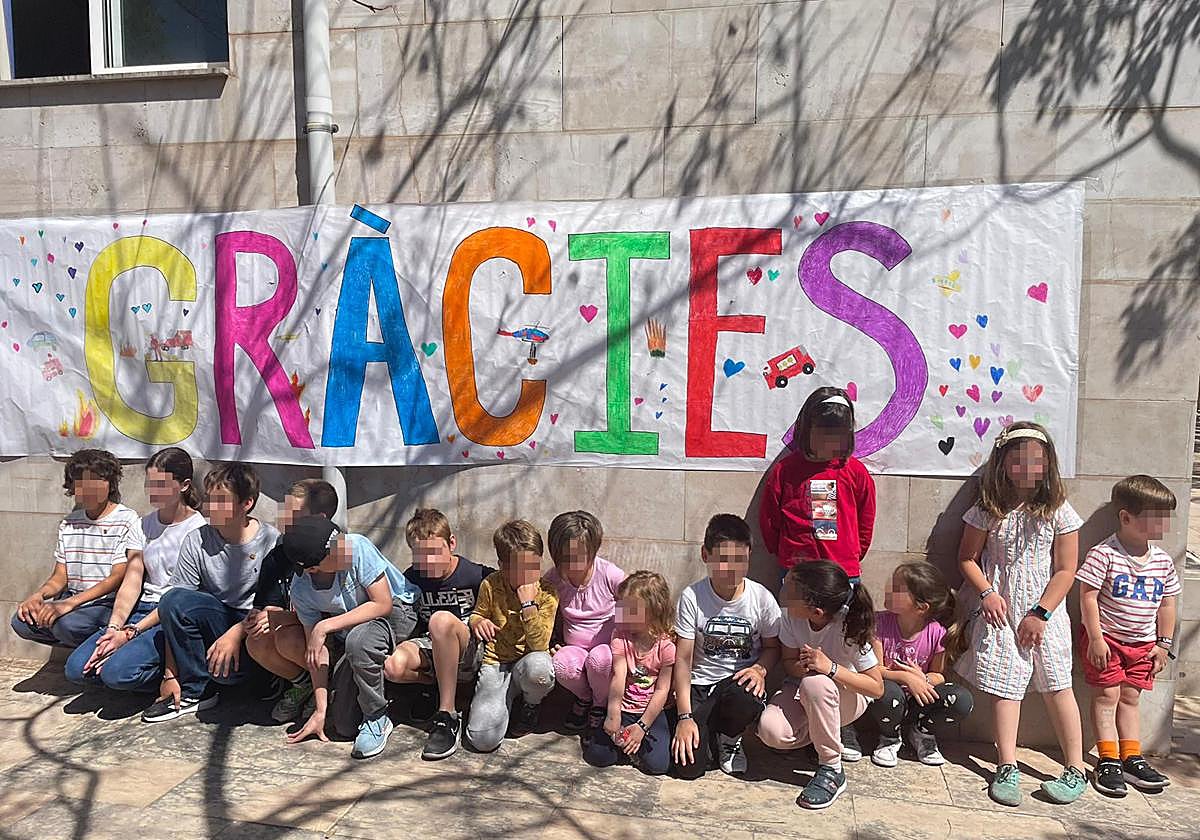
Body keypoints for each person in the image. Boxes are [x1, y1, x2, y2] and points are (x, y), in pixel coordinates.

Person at [955, 422, 1087, 806]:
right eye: (1018, 461)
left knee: (1058, 684)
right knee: (1005, 686)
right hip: (1001, 607)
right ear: (1003, 463)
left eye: (1036, 461)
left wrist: (1041, 613)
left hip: (1046, 609)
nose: (1027, 469)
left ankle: (1075, 767)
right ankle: (1006, 764)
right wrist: (987, 592)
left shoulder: (1059, 510)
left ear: (1047, 464)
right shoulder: (987, 509)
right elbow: (966, 558)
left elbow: (1066, 569)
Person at [274, 516, 420, 759]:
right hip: (355, 629)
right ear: (312, 568)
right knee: (343, 725)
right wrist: (321, 710)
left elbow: (382, 604)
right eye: (334, 551)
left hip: (398, 611)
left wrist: (324, 626)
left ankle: (377, 716)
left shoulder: (357, 546)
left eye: (340, 541)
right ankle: (391, 696)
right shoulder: (302, 590)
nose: (344, 548)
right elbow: (316, 652)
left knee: (358, 641)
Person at [143, 462, 279, 723]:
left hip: (254, 628)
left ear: (246, 503)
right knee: (174, 598)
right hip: (216, 617)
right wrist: (171, 675)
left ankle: (266, 678)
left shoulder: (270, 541)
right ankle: (195, 691)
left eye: (221, 501)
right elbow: (174, 607)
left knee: (230, 674)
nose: (210, 507)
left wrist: (234, 634)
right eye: (209, 499)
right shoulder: (197, 539)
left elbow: (273, 606)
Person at [66, 448, 205, 692]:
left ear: (184, 486)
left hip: (170, 616)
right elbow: (132, 579)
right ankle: (123, 660)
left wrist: (130, 634)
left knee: (116, 674)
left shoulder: (199, 529)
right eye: (150, 483)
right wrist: (114, 628)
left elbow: (180, 597)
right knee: (76, 670)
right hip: (140, 608)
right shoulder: (142, 525)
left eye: (161, 484)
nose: (153, 491)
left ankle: (168, 677)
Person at [1077, 475, 1180, 797]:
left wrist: (1163, 644)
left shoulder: (1162, 561)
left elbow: (1168, 604)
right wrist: (1095, 638)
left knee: (1131, 698)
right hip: (1106, 641)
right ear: (1126, 517)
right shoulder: (1104, 554)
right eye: (1156, 518)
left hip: (1145, 646)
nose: (1163, 525)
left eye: (1166, 518)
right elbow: (1087, 596)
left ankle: (1131, 757)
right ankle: (1108, 760)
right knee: (1107, 697)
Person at [758, 560, 884, 809]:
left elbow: (876, 687)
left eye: (790, 589)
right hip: (802, 689)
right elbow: (789, 661)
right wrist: (804, 666)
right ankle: (819, 739)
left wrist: (830, 668)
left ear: (816, 611)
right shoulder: (790, 617)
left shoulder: (849, 625)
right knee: (769, 731)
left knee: (817, 684)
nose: (783, 590)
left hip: (846, 698)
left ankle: (831, 768)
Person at [672, 514, 781, 779]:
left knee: (746, 694)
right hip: (700, 686)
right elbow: (683, 660)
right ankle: (708, 736)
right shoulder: (691, 597)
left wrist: (760, 670)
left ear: (749, 556)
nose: (731, 569)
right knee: (687, 769)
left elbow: (772, 648)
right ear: (705, 555)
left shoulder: (761, 598)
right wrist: (685, 717)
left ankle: (731, 738)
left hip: (737, 687)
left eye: (739, 560)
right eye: (722, 560)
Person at [384, 508, 494, 760]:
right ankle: (432, 689)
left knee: (440, 620)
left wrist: (486, 619)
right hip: (432, 646)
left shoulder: (476, 575)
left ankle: (447, 715)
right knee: (393, 666)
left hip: (469, 646)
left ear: (451, 543)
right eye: (420, 556)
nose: (428, 562)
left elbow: (503, 597)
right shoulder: (412, 577)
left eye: (434, 552)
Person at [13, 449, 142, 649]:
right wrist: (39, 595)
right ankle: (90, 647)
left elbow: (117, 577)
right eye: (81, 482)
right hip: (72, 599)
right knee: (22, 621)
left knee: (66, 626)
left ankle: (105, 648)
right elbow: (59, 576)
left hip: (105, 604)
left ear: (109, 483)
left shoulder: (127, 519)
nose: (88, 488)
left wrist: (70, 604)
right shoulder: (69, 523)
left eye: (96, 481)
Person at [243, 478, 339, 723]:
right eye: (282, 511)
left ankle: (332, 689)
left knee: (286, 637)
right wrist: (262, 618)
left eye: (293, 513)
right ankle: (303, 684)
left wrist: (279, 617)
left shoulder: (336, 556)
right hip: (301, 634)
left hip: (334, 640)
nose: (283, 519)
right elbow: (270, 604)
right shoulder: (276, 557)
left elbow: (331, 614)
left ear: (320, 518)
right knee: (256, 639)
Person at [759, 386, 877, 582]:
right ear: (807, 431)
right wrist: (784, 551)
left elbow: (866, 520)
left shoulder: (855, 472)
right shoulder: (786, 471)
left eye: (837, 437)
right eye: (823, 435)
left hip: (842, 573)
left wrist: (852, 556)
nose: (829, 443)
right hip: (798, 571)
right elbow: (770, 519)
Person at [866, 561, 974, 768]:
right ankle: (889, 737)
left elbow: (939, 675)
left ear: (921, 607)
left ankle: (922, 733)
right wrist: (906, 677)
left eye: (898, 589)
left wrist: (922, 679)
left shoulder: (937, 633)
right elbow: (875, 670)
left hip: (920, 700)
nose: (889, 590)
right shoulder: (878, 624)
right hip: (890, 698)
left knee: (961, 700)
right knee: (884, 691)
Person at [465, 520, 558, 752]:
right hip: (496, 662)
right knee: (482, 740)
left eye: (534, 566)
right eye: (520, 569)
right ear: (503, 566)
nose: (529, 575)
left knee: (540, 669)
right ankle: (504, 699)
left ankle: (531, 704)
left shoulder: (547, 593)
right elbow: (477, 613)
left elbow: (540, 645)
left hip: (529, 662)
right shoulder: (491, 584)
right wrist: (478, 622)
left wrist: (528, 605)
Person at [584, 571, 675, 776]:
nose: (622, 614)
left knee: (659, 766)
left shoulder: (666, 647)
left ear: (653, 611)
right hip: (623, 707)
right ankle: (626, 746)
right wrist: (613, 714)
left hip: (650, 713)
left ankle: (633, 743)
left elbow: (662, 689)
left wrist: (642, 726)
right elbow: (618, 677)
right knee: (596, 756)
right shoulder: (620, 636)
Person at [544, 510, 626, 734]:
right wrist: (552, 640)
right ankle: (584, 697)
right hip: (575, 649)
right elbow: (544, 611)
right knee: (562, 663)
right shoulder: (553, 579)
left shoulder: (610, 574)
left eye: (579, 555)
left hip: (607, 648)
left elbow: (636, 598)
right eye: (565, 556)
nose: (573, 563)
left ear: (593, 550)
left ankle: (600, 703)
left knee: (601, 659)